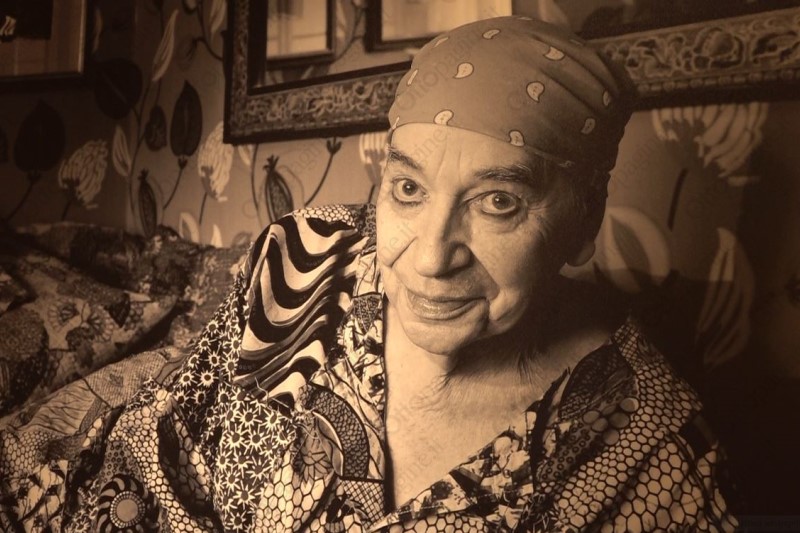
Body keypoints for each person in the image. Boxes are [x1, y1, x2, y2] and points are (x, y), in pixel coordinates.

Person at [0, 16, 737, 532]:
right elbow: (159, 446)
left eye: (498, 202)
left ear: (581, 224)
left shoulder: (654, 460)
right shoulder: (308, 254)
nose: (430, 256)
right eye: (408, 189)